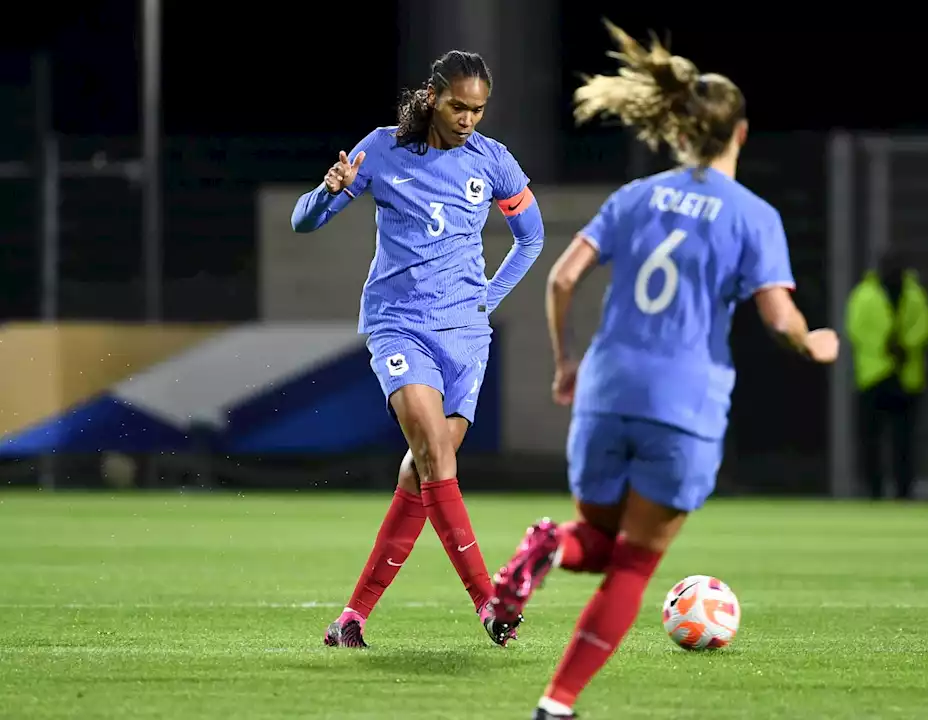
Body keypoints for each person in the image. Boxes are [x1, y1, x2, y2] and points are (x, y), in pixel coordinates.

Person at [485, 21, 839, 719]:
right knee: (635, 565)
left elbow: (561, 279)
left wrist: (565, 365)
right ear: (739, 134)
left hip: (606, 390)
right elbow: (777, 318)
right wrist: (813, 343)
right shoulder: (753, 216)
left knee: (598, 540)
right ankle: (556, 704)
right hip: (683, 401)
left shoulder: (635, 197)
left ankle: (549, 546)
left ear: (678, 132)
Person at [290, 50, 544, 649]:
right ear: (432, 97)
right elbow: (304, 221)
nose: (468, 120)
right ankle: (489, 601)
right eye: (459, 106)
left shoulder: (493, 162)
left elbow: (530, 237)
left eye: (478, 110)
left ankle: (351, 617)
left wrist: (488, 296)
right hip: (399, 325)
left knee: (422, 469)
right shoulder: (381, 149)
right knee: (433, 450)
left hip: (466, 337)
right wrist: (329, 193)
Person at [845, 248, 928, 499]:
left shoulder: (915, 295)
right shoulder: (864, 295)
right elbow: (856, 328)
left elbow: (925, 325)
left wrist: (906, 345)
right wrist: (885, 345)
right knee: (871, 439)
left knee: (904, 440)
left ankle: (904, 491)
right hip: (874, 376)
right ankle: (874, 491)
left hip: (906, 377)